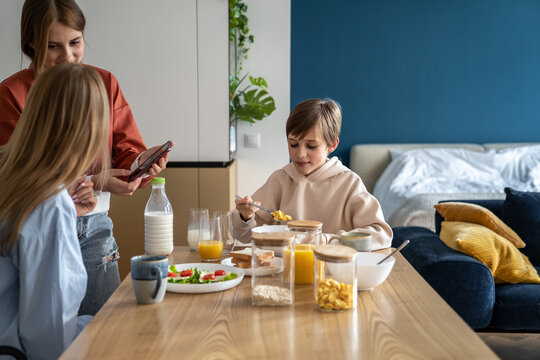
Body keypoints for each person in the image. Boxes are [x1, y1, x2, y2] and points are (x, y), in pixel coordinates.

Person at [0, 0, 174, 315]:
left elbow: (127, 153)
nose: (68, 56)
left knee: (103, 331)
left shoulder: (103, 84)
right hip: (35, 229)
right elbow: (21, 177)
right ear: (30, 44)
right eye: (52, 46)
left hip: (94, 227)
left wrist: (140, 164)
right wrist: (94, 180)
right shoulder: (11, 95)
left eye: (75, 43)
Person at [0, 63, 110, 359]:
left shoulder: (9, 175)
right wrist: (105, 326)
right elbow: (49, 343)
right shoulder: (48, 201)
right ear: (88, 131)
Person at [233, 98, 393, 249]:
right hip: (286, 270)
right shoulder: (281, 179)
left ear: (332, 145)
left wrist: (328, 240)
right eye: (293, 144)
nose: (300, 154)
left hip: (335, 271)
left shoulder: (349, 182)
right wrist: (245, 217)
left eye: (311, 146)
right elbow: (246, 236)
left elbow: (381, 234)